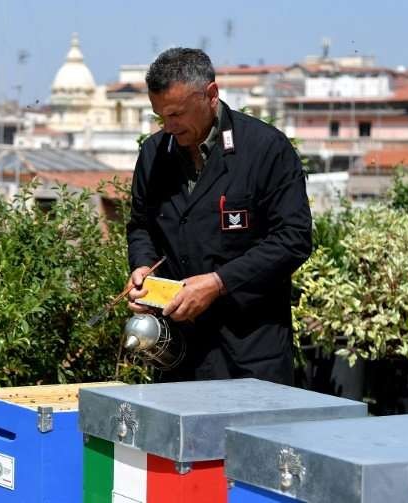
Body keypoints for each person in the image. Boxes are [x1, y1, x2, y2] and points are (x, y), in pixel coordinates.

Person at [126, 48, 312, 384]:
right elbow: (141, 226)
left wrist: (217, 283)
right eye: (161, 116)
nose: (168, 126)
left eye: (177, 114)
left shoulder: (265, 149)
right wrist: (142, 269)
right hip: (179, 355)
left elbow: (293, 240)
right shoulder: (154, 154)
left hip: (250, 353)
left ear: (211, 95)